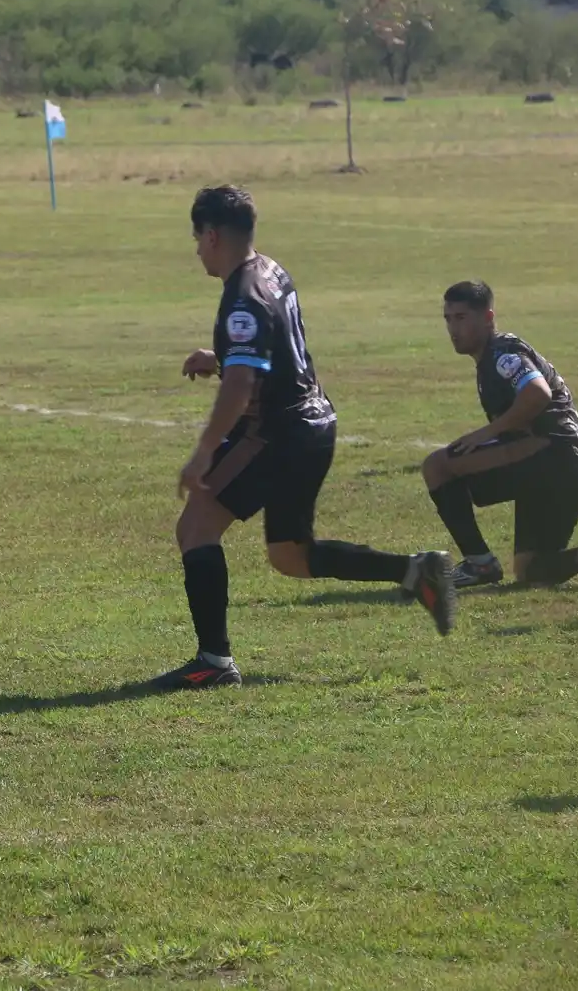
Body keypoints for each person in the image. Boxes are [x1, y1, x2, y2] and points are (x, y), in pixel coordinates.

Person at [155, 185, 456, 691]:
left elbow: (242, 386)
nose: (196, 249)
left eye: (195, 239)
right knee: (290, 555)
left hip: (277, 435)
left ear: (211, 236)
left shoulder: (240, 299)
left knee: (196, 528)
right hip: (313, 425)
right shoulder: (271, 270)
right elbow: (270, 353)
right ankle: (416, 571)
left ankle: (214, 662)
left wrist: (204, 451)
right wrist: (220, 357)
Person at [420, 280, 578, 591]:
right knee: (530, 570)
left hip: (554, 454)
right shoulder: (491, 359)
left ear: (488, 318)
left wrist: (488, 432)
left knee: (438, 466)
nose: (453, 328)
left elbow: (537, 393)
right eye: (448, 319)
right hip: (577, 468)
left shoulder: (501, 354)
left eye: (462, 318)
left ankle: (478, 563)